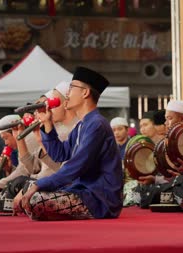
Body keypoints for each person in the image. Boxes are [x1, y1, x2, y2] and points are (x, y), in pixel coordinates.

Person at [21, 66, 122, 221]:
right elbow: (59, 154)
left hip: (99, 198)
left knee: (36, 199)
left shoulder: (97, 124)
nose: (67, 93)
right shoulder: (82, 125)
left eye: (72, 87)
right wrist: (48, 124)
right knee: (30, 189)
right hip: (81, 191)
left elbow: (76, 165)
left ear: (85, 92)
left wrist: (40, 184)